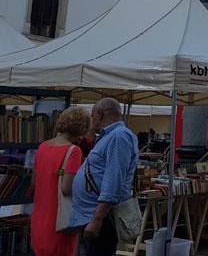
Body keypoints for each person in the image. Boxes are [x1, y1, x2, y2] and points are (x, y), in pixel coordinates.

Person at [70, 98, 138, 255]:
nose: (92, 118)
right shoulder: (110, 136)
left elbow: (114, 180)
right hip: (95, 214)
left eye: (93, 114)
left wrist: (97, 219)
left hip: (103, 217)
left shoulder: (118, 136)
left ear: (99, 113)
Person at [31, 107, 91, 256]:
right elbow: (66, 188)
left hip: (39, 219)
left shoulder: (43, 147)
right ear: (82, 128)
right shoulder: (74, 151)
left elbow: (34, 182)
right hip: (59, 221)